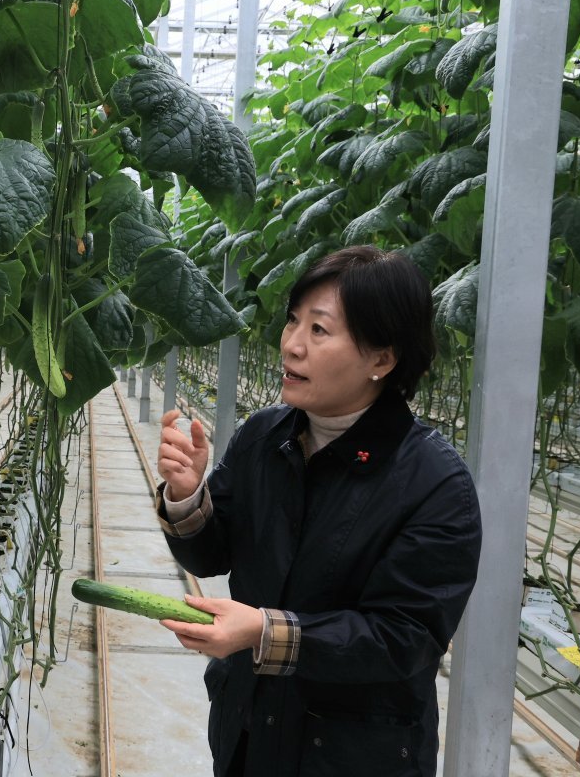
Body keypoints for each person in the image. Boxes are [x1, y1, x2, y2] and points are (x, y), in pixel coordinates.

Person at [155, 246, 482, 777]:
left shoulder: (436, 483)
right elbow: (212, 551)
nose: (291, 345)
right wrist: (188, 495)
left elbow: (404, 637)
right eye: (292, 321)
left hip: (350, 755)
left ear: (382, 358)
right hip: (247, 731)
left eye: (319, 330)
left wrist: (263, 630)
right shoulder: (264, 435)